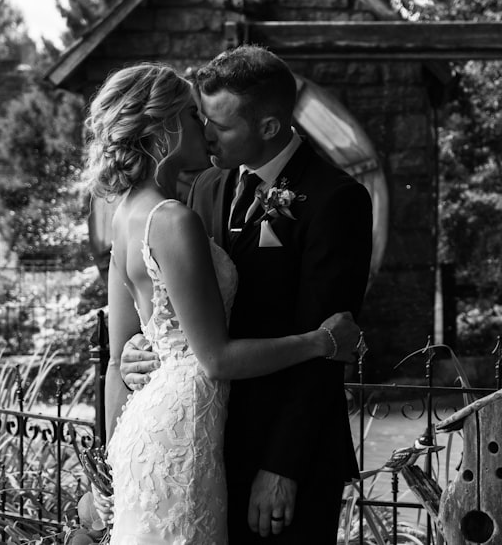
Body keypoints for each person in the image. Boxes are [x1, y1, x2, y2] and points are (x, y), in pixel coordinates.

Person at [84, 62, 363, 544]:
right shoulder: (201, 190)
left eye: (218, 121)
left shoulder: (335, 198)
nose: (208, 132)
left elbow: (324, 354)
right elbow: (167, 328)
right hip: (193, 439)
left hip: (276, 456)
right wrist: (135, 352)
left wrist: (282, 467)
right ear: (165, 128)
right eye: (199, 116)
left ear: (269, 126)